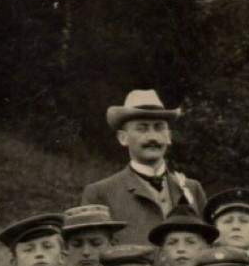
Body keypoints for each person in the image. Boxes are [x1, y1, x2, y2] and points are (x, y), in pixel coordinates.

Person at [81, 89, 208, 246]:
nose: (152, 137)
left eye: (159, 128)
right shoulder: (100, 193)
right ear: (123, 138)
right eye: (142, 128)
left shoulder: (192, 188)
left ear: (168, 137)